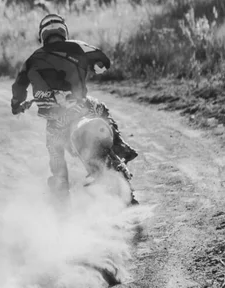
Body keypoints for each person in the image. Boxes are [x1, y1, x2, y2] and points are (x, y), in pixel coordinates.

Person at [10, 13, 139, 205]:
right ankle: (120, 147)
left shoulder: (31, 60)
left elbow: (19, 86)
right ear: (63, 32)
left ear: (42, 35)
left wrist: (16, 105)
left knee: (56, 156)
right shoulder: (78, 46)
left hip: (55, 122)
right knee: (102, 109)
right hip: (83, 109)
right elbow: (104, 62)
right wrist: (95, 68)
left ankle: (62, 202)